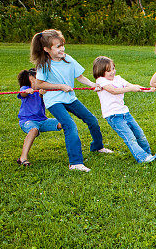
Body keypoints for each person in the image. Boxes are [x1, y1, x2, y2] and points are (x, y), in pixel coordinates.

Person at [31, 29, 112, 172]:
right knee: (69, 125)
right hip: (54, 101)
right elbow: (38, 84)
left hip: (70, 98)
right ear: (47, 49)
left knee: (91, 119)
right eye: (58, 47)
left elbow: (79, 76)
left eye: (62, 45)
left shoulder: (68, 59)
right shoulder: (43, 64)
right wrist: (60, 86)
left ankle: (97, 147)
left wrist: (93, 84)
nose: (62, 49)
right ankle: (75, 163)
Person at [93, 56, 156, 163]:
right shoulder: (101, 80)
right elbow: (113, 90)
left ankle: (148, 154)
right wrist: (131, 89)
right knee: (130, 138)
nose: (112, 72)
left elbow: (132, 86)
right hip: (113, 116)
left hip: (125, 113)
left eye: (113, 68)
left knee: (140, 135)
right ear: (100, 71)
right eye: (108, 71)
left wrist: (146, 90)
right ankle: (142, 158)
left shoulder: (118, 78)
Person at [16, 68, 62, 166]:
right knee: (33, 130)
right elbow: (22, 94)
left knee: (64, 123)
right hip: (27, 121)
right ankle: (22, 158)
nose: (35, 82)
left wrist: (42, 94)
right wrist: (27, 91)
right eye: (33, 80)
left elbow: (44, 99)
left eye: (36, 80)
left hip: (42, 121)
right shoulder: (24, 88)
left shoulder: (41, 90)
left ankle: (73, 151)